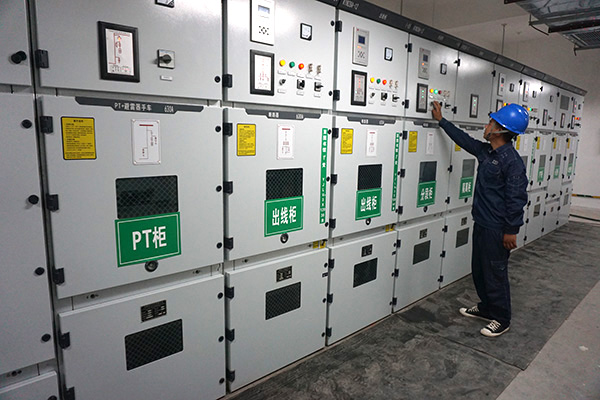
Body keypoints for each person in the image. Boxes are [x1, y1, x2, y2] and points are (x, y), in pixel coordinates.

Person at [431, 101, 529, 337]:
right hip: (482, 223)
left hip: (497, 229)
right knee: (480, 270)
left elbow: (516, 198)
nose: (486, 126)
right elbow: (464, 140)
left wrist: (511, 230)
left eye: (490, 123)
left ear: (500, 130)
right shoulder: (487, 152)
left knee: (495, 272)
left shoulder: (512, 162)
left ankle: (502, 318)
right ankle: (486, 308)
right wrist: (442, 121)